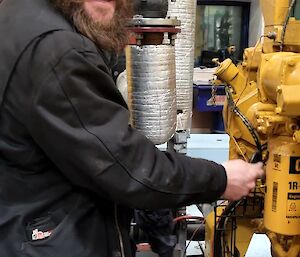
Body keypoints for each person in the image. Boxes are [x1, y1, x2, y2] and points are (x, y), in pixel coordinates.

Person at [0, 0, 264, 257]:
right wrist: (221, 178)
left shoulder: (17, 16)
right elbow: (127, 168)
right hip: (53, 240)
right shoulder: (57, 49)